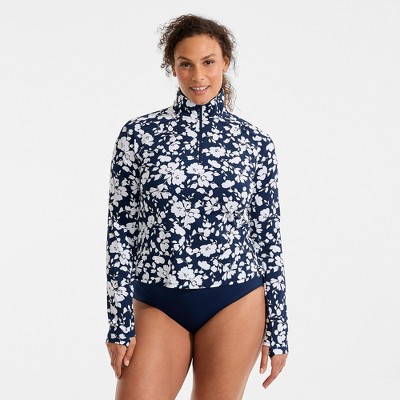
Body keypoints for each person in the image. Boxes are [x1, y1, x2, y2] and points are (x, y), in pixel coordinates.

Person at [105, 14, 289, 400]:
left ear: (225, 62)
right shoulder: (138, 135)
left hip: (235, 299)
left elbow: (267, 237)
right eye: (185, 64)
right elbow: (120, 229)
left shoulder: (255, 143)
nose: (198, 75)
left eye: (208, 62)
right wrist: (119, 322)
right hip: (157, 299)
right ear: (172, 67)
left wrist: (279, 329)